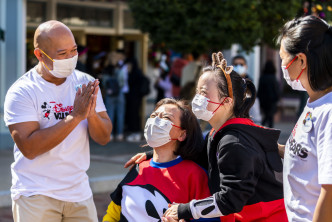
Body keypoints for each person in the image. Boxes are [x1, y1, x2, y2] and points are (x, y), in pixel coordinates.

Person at [127, 52, 287, 222]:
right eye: (198, 92)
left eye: (204, 93)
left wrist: (184, 210)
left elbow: (231, 200)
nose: (197, 98)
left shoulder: (234, 142)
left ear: (227, 101)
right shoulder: (219, 134)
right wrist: (154, 154)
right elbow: (194, 151)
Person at [3, 20, 112, 222]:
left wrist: (91, 114)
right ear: (39, 55)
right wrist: (75, 117)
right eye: (62, 54)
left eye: (74, 50)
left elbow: (104, 137)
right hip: (36, 193)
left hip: (79, 193)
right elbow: (29, 148)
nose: (71, 58)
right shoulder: (22, 91)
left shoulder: (85, 82)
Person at [103, 98, 219, 222]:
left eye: (166, 118)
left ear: (182, 134)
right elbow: (113, 212)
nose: (155, 120)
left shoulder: (195, 175)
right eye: (153, 115)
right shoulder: (139, 166)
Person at [277, 15, 332, 222]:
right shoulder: (315, 103)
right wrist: (271, 146)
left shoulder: (329, 112)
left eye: (283, 58)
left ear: (300, 60)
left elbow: (330, 193)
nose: (282, 65)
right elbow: (308, 156)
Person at [231, 55, 262, 124]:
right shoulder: (227, 83)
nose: (238, 67)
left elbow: (255, 110)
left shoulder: (250, 84)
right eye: (236, 64)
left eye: (241, 64)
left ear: (246, 66)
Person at [257, 60, 280, 128]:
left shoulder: (262, 78)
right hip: (272, 101)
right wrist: (277, 98)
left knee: (268, 116)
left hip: (263, 101)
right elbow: (276, 90)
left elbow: (260, 90)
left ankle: (263, 127)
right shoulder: (274, 78)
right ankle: (265, 128)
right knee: (269, 116)